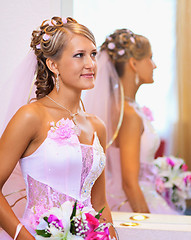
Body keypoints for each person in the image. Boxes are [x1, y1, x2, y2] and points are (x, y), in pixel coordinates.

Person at [0, 16, 116, 239]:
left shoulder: (96, 125)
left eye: (93, 54)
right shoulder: (31, 116)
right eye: (79, 55)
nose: (90, 64)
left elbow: (100, 203)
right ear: (53, 65)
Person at [84, 28, 179, 214]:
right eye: (150, 58)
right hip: (131, 201)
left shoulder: (122, 107)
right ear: (134, 63)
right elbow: (129, 183)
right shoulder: (128, 114)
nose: (154, 65)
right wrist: (149, 229)